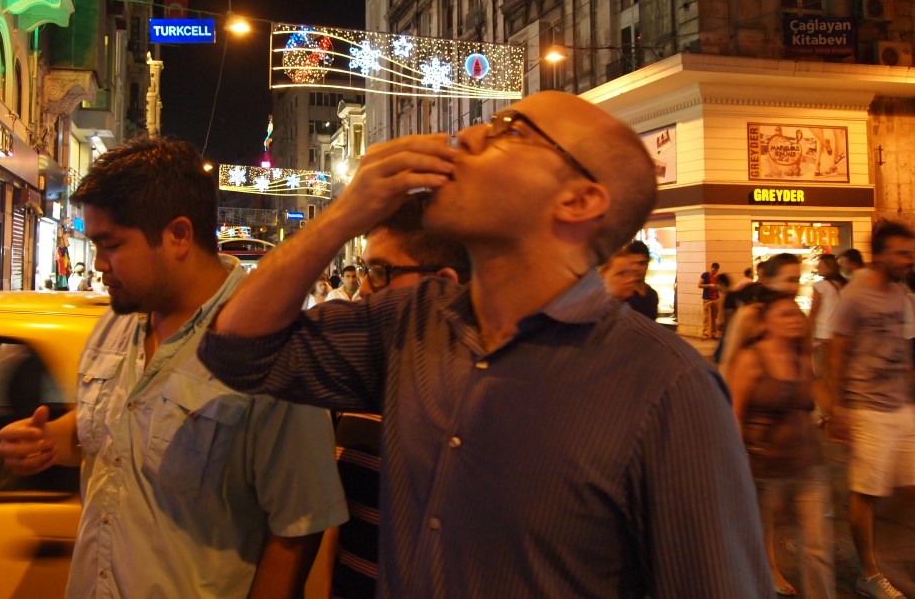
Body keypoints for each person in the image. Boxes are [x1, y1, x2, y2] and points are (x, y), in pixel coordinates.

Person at [199, 91, 772, 597]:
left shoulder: (669, 388)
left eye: (509, 131)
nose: (469, 136)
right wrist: (342, 216)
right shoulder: (410, 321)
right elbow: (236, 352)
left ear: (577, 201)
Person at [0, 137, 347, 599]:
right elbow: (117, 434)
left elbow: (299, 525)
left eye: (111, 245)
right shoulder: (116, 325)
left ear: (179, 235)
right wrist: (48, 442)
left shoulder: (271, 349)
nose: (99, 264)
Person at [332, 194, 470, 599]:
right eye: (365, 272)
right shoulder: (352, 381)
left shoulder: (490, 396)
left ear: (443, 283)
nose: (361, 294)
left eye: (379, 273)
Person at [724, 292, 835, 598]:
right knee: (753, 550)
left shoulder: (801, 357)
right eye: (785, 314)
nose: (795, 319)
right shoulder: (751, 359)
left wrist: (834, 412)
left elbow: (815, 396)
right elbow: (733, 413)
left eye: (796, 313)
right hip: (764, 469)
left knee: (817, 548)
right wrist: (735, 465)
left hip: (807, 465)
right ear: (766, 323)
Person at [827, 220, 915, 599]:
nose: (909, 259)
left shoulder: (900, 293)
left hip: (899, 403)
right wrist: (836, 406)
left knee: (908, 485)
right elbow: (837, 348)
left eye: (911, 253)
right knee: (866, 490)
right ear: (880, 255)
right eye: (902, 253)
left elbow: (901, 345)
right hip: (866, 405)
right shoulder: (857, 293)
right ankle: (868, 573)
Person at [809, 253, 847, 378]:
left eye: (820, 265)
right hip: (839, 336)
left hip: (822, 335)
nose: (817, 267)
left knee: (821, 374)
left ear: (829, 267)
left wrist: (809, 335)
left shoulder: (821, 286)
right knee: (836, 374)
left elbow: (814, 312)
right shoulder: (844, 285)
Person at [601, 240, 659, 320]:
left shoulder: (652, 295)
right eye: (632, 264)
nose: (636, 268)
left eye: (641, 263)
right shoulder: (622, 295)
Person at [699, 261, 721, 339]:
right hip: (707, 299)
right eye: (714, 269)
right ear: (711, 268)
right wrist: (709, 285)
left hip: (716, 298)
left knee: (714, 317)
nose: (715, 271)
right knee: (706, 317)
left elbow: (721, 287)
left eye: (716, 270)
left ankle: (713, 333)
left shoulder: (719, 277)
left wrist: (718, 287)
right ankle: (706, 334)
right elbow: (699, 285)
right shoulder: (705, 275)